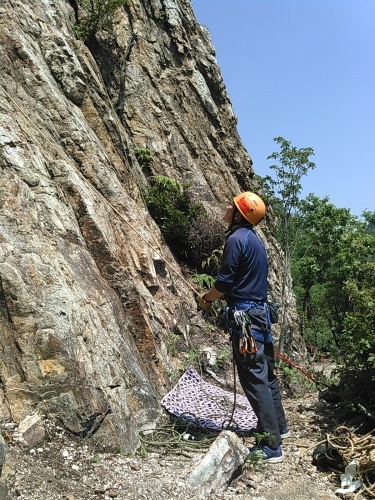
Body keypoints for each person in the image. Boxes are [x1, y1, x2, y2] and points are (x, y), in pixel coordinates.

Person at [198, 191, 289, 463]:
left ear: (240, 214)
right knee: (266, 375)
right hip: (258, 314)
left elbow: (225, 282)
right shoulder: (255, 241)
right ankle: (279, 428)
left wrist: (207, 298)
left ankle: (271, 446)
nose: (227, 207)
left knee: (254, 378)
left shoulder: (237, 239)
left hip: (246, 318)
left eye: (233, 205)